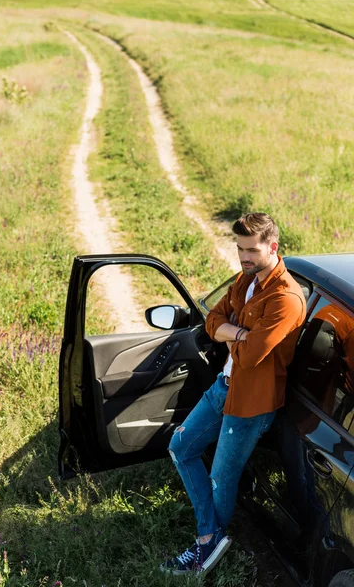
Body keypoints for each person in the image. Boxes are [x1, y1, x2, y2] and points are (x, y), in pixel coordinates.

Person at [160, 212, 306, 577]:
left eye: (250, 250)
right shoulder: (245, 280)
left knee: (221, 478)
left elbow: (253, 355)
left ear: (272, 247)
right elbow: (212, 322)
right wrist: (237, 332)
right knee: (181, 447)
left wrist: (234, 334)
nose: (242, 256)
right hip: (225, 386)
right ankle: (213, 533)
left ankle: (208, 542)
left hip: (252, 402)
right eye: (239, 248)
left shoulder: (286, 299)